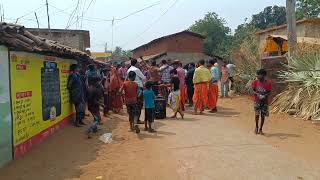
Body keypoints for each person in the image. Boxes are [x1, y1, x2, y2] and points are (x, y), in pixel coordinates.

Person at [252, 69, 272, 135]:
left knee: (263, 116)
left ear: (264, 76)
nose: (257, 76)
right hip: (257, 101)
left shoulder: (268, 83)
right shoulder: (255, 82)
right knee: (257, 115)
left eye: (259, 75)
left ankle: (261, 129)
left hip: (264, 101)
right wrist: (257, 94)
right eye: (257, 75)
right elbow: (253, 90)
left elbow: (269, 92)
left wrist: (264, 95)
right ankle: (256, 127)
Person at [127, 59, 146, 123]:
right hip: (138, 88)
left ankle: (132, 120)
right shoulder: (136, 69)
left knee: (132, 104)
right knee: (139, 104)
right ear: (136, 63)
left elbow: (126, 79)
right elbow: (143, 78)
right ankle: (137, 119)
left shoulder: (128, 70)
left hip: (130, 88)